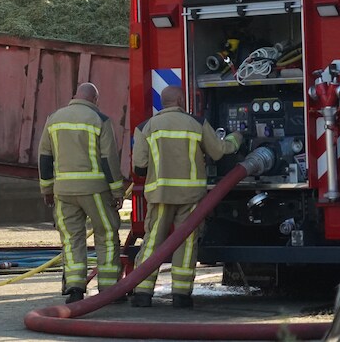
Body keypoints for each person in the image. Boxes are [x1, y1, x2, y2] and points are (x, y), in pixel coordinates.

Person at [130, 85, 242, 309]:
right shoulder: (197, 124)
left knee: (153, 241)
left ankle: (142, 292)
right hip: (190, 195)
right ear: (181, 100)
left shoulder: (144, 128)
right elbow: (219, 151)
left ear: (163, 102)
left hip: (160, 195)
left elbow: (139, 166)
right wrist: (236, 137)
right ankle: (181, 294)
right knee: (187, 241)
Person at [38, 83, 125, 304]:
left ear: (74, 95)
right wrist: (117, 191)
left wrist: (47, 189)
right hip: (95, 191)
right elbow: (109, 159)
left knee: (71, 238)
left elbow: (45, 157)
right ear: (95, 99)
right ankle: (109, 289)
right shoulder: (100, 120)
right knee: (106, 234)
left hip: (64, 191)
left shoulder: (53, 119)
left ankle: (75, 287)